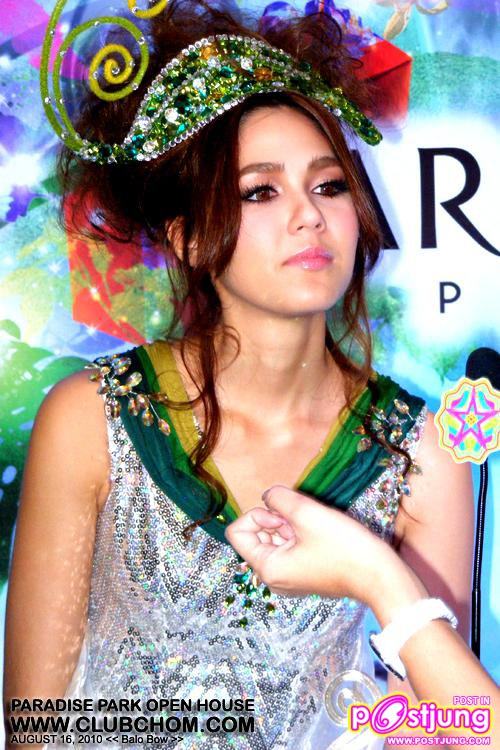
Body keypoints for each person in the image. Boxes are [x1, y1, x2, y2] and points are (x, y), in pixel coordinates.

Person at [3, 0, 473, 748]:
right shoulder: (93, 417)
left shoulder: (419, 456)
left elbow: (443, 731)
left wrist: (382, 581)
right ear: (188, 238)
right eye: (261, 191)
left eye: (329, 185)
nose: (309, 216)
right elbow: (35, 724)